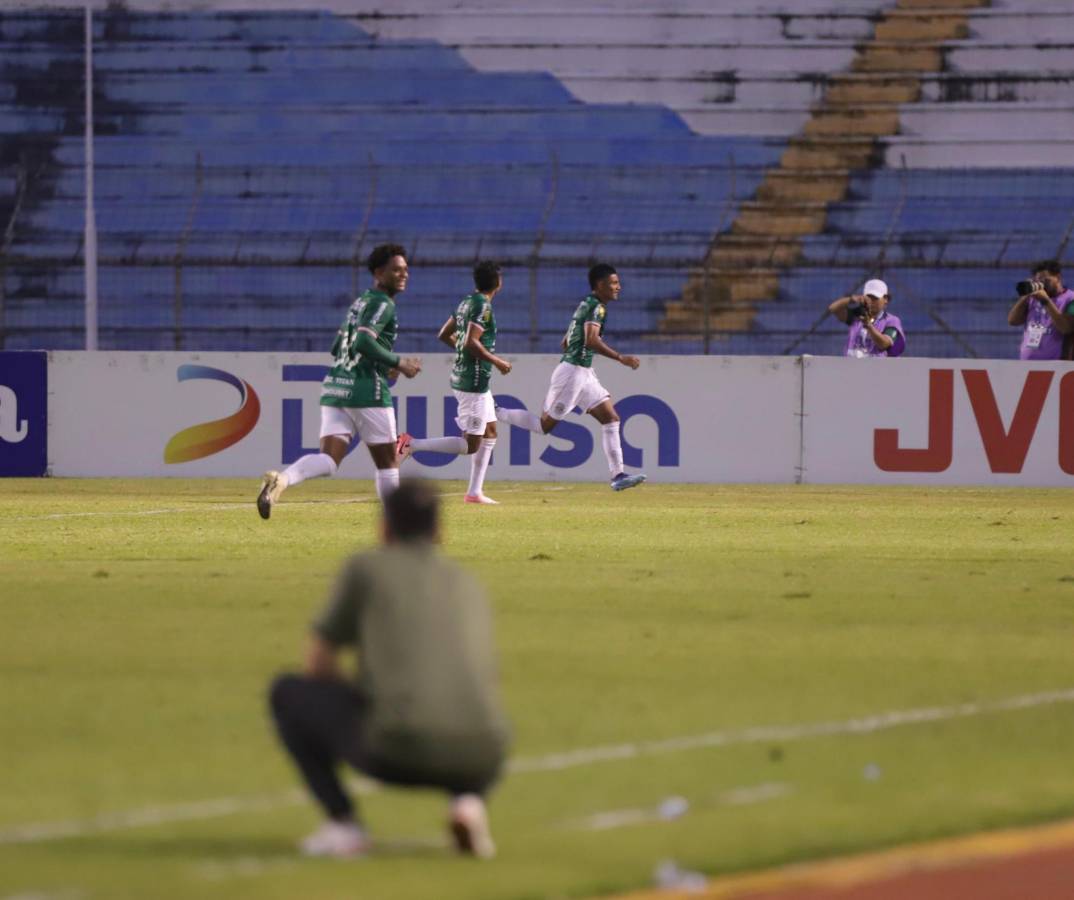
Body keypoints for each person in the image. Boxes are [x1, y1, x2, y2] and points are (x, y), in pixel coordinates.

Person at [268, 479, 509, 859]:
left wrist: (357, 698)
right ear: (439, 530)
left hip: (397, 747)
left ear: (384, 526)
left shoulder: (367, 568)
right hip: (486, 755)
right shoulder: (466, 580)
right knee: (460, 701)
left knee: (287, 692)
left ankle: (342, 824)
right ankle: (468, 803)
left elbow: (318, 661)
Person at [257, 244, 422, 518]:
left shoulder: (360, 302)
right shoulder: (383, 303)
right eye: (396, 270)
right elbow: (363, 341)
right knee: (388, 464)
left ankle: (282, 480)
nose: (404, 274)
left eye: (405, 269)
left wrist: (381, 361)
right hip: (366, 391)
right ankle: (397, 527)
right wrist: (398, 363)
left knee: (329, 461)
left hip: (336, 385)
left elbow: (338, 346)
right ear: (379, 273)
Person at [493, 263, 646, 492]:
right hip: (573, 373)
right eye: (613, 283)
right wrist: (620, 358)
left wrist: (578, 356)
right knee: (544, 426)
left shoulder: (587, 304)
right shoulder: (597, 307)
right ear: (599, 285)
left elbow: (566, 341)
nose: (618, 287)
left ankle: (618, 475)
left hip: (582, 372)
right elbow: (591, 340)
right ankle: (495, 411)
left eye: (617, 283)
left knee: (611, 418)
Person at [395, 261, 512, 504]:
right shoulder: (483, 307)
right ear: (498, 283)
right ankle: (411, 444)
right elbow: (471, 342)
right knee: (471, 444)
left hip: (468, 376)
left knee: (490, 432)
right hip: (473, 382)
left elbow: (444, 334)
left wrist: (465, 350)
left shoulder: (466, 302)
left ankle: (474, 492)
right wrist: (497, 361)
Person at [1008, 260, 1074, 360]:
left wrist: (1046, 300)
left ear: (1058, 277)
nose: (1042, 284)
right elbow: (1012, 321)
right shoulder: (1033, 298)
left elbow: (1066, 328)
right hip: (1027, 364)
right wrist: (1025, 296)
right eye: (1038, 280)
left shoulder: (1070, 299)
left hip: (1056, 365)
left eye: (1045, 280)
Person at [827, 278, 906, 358]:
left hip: (878, 368)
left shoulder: (891, 320)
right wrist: (852, 299)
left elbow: (884, 344)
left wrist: (868, 326)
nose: (871, 301)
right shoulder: (857, 316)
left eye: (875, 298)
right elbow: (833, 308)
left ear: (886, 299)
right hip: (851, 367)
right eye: (869, 297)